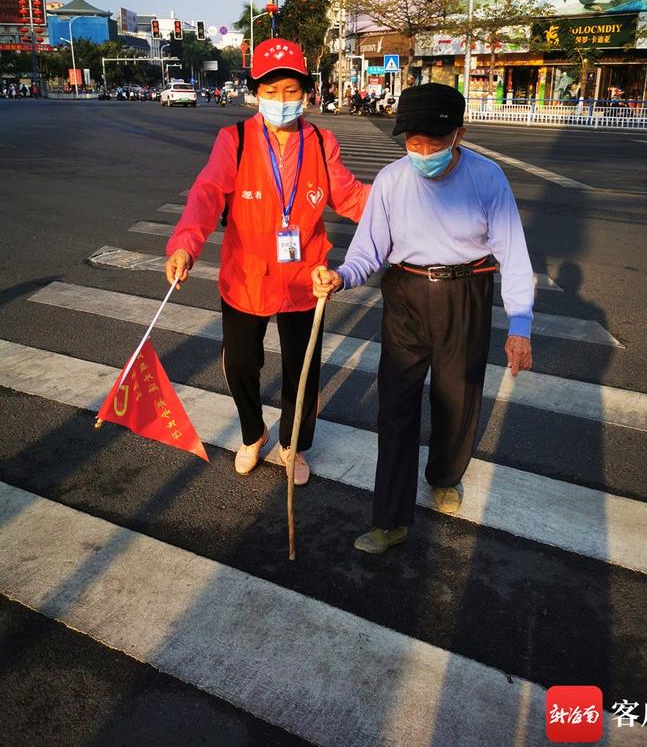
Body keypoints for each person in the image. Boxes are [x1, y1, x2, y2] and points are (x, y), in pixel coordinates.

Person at [312, 83, 534, 553]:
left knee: (458, 396)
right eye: (413, 141)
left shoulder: (488, 178)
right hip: (407, 294)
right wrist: (341, 278)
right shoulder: (392, 181)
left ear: (459, 135)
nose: (423, 151)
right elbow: (367, 251)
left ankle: (444, 475)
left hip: (466, 292)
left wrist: (520, 326)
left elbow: (514, 254)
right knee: (395, 407)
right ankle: (390, 518)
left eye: (434, 141)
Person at [165, 38, 370, 485]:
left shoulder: (321, 142)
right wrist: (185, 243)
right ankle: (253, 432)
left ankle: (293, 445)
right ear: (256, 91)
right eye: (272, 90)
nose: (282, 100)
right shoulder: (233, 140)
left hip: (305, 275)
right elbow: (206, 195)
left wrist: (404, 203)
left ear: (307, 93)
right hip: (246, 275)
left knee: (303, 370)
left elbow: (351, 197)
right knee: (240, 362)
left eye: (292, 91)